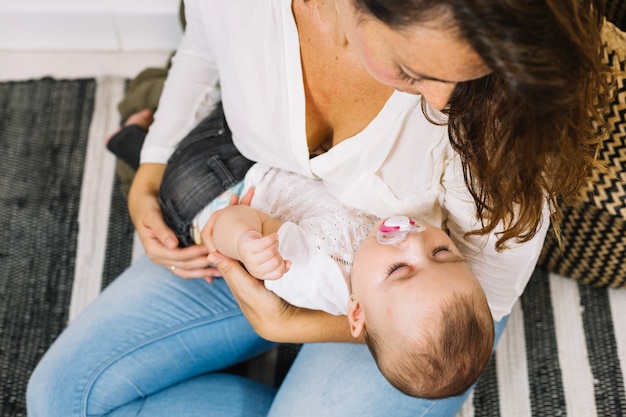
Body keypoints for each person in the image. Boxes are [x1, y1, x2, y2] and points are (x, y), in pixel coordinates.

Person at [27, 0, 612, 416]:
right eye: (413, 71)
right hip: (263, 222)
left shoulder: (491, 105)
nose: (443, 102)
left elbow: (485, 288)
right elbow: (204, 43)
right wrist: (153, 165)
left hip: (407, 311)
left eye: (464, 75)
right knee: (59, 399)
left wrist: (293, 323)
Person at [192, 162, 494, 398]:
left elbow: (225, 224)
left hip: (217, 184)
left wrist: (245, 242)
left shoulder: (308, 270)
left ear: (357, 311)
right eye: (442, 251)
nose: (415, 239)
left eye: (400, 269)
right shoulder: (376, 251)